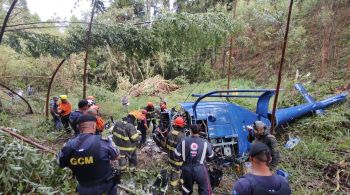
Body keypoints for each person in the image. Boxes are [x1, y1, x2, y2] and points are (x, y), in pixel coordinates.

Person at [58, 114, 119, 195]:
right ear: (94, 126)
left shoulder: (68, 145)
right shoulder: (103, 141)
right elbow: (116, 156)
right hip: (105, 187)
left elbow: (60, 163)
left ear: (78, 127)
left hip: (83, 188)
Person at [174, 124, 214, 195]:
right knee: (205, 189)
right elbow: (211, 156)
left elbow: (176, 155)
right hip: (200, 169)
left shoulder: (184, 141)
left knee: (186, 188)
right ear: (199, 131)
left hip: (186, 169)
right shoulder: (205, 142)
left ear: (190, 131)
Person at [166, 116, 187, 188]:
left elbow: (166, 145)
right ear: (182, 126)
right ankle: (178, 185)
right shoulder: (182, 136)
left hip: (170, 157)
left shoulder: (169, 133)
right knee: (181, 171)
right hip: (179, 160)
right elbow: (184, 149)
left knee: (173, 171)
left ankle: (173, 185)